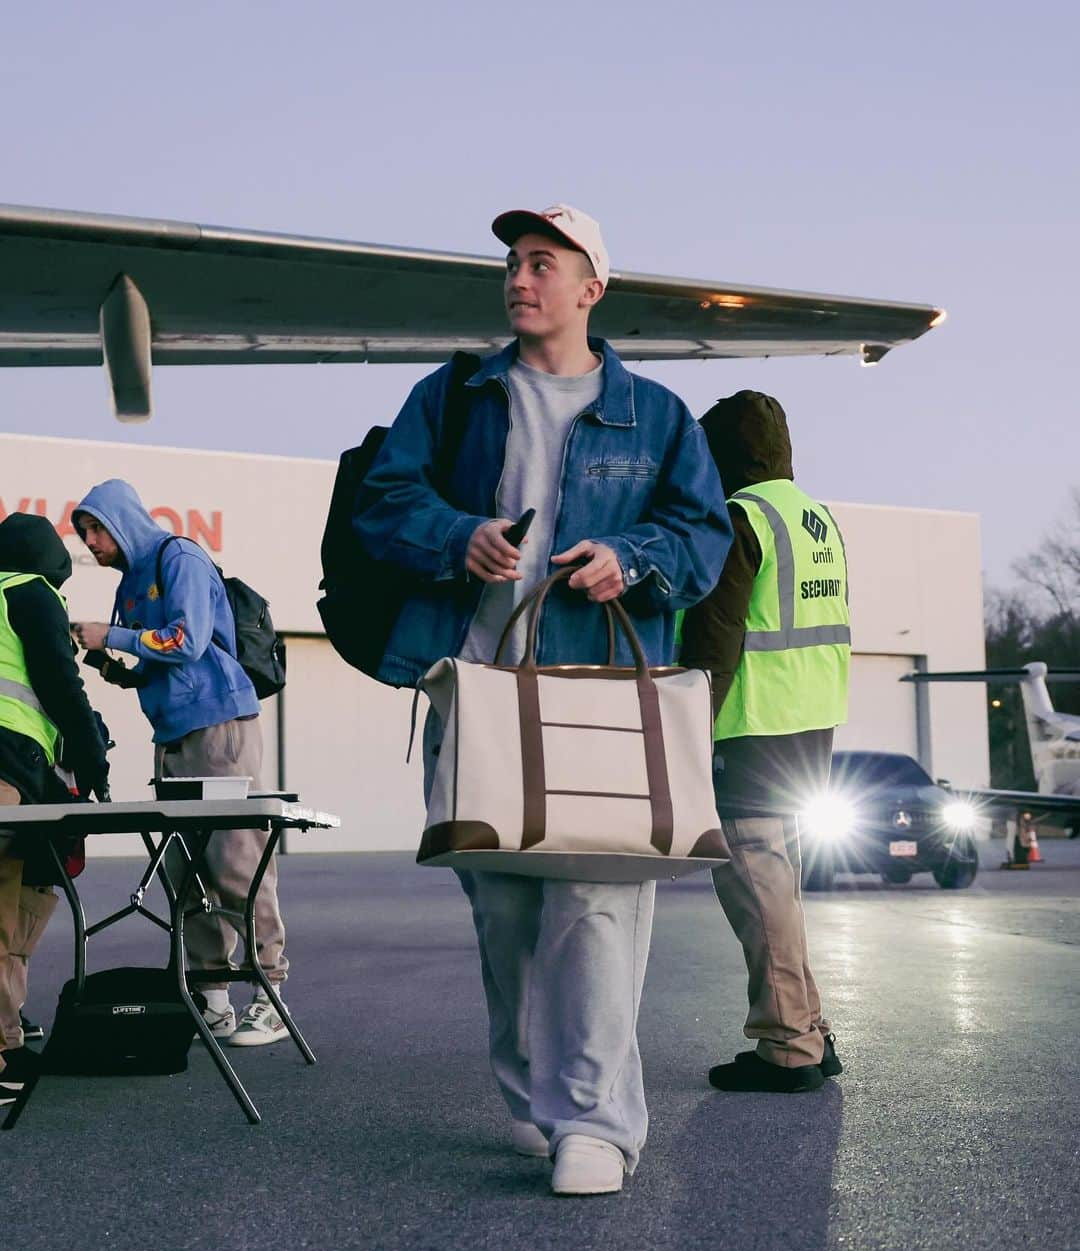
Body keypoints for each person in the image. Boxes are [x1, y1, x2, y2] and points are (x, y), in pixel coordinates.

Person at [356, 203, 731, 1194]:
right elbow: (382, 505)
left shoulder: (655, 415)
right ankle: (535, 1098)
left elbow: (704, 539)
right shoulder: (455, 396)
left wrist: (631, 557)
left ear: (590, 288)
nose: (518, 279)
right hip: (482, 695)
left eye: (541, 263)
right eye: (512, 264)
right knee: (508, 918)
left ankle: (598, 1125)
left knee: (597, 909)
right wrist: (455, 534)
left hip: (600, 698)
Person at [70, 482, 289, 1047]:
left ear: (123, 521)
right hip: (172, 734)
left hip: (220, 726)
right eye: (83, 532)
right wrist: (113, 665)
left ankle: (270, 996)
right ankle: (212, 997)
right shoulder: (132, 582)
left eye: (97, 528)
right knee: (185, 871)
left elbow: (188, 642)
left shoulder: (180, 556)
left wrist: (111, 632)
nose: (91, 542)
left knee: (237, 861)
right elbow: (157, 661)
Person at [680, 390, 849, 1093]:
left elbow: (716, 636)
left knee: (754, 879)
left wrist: (688, 723)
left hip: (753, 722)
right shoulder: (815, 516)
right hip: (811, 720)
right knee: (779, 885)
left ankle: (787, 1047)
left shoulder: (739, 517)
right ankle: (810, 1026)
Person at [0, 513, 110, 1098]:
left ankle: (7, 1042)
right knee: (5, 903)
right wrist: (93, 759)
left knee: (17, 902)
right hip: (6, 760)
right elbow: (60, 683)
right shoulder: (29, 591)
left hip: (20, 766)